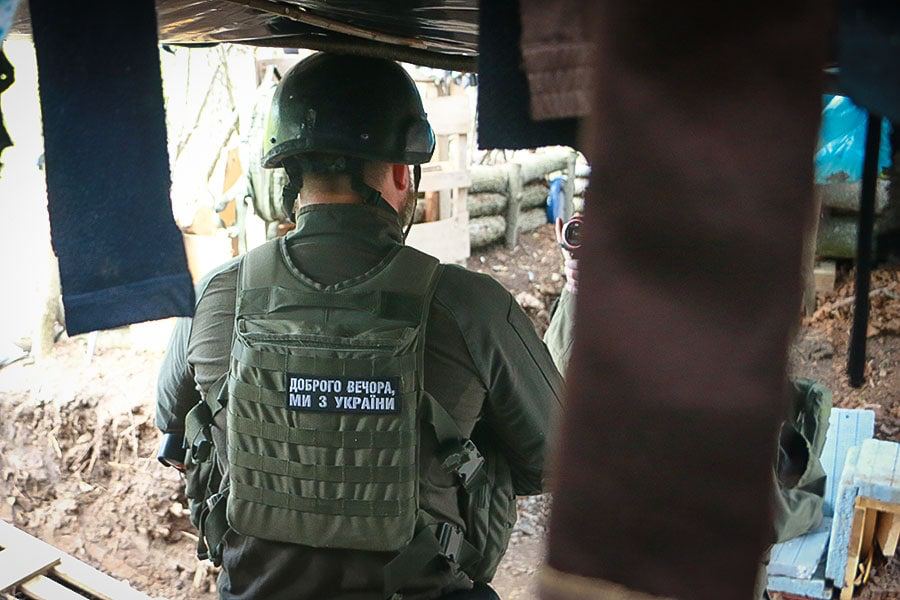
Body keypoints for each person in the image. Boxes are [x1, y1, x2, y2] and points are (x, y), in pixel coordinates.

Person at [155, 52, 563, 600]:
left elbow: (172, 424)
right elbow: (555, 457)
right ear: (400, 171)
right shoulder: (471, 305)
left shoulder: (214, 294)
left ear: (288, 176)